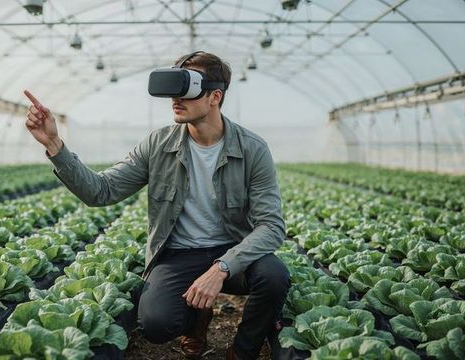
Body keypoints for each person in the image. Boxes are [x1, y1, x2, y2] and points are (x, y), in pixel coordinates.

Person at [24, 51, 291, 360]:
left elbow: (272, 227)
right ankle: (196, 320)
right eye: (172, 91)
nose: (175, 100)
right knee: (156, 324)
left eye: (186, 90)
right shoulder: (158, 144)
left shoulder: (252, 149)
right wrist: (55, 145)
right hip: (178, 253)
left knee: (274, 275)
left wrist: (221, 267)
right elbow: (102, 191)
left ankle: (243, 349)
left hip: (233, 251)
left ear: (215, 96)